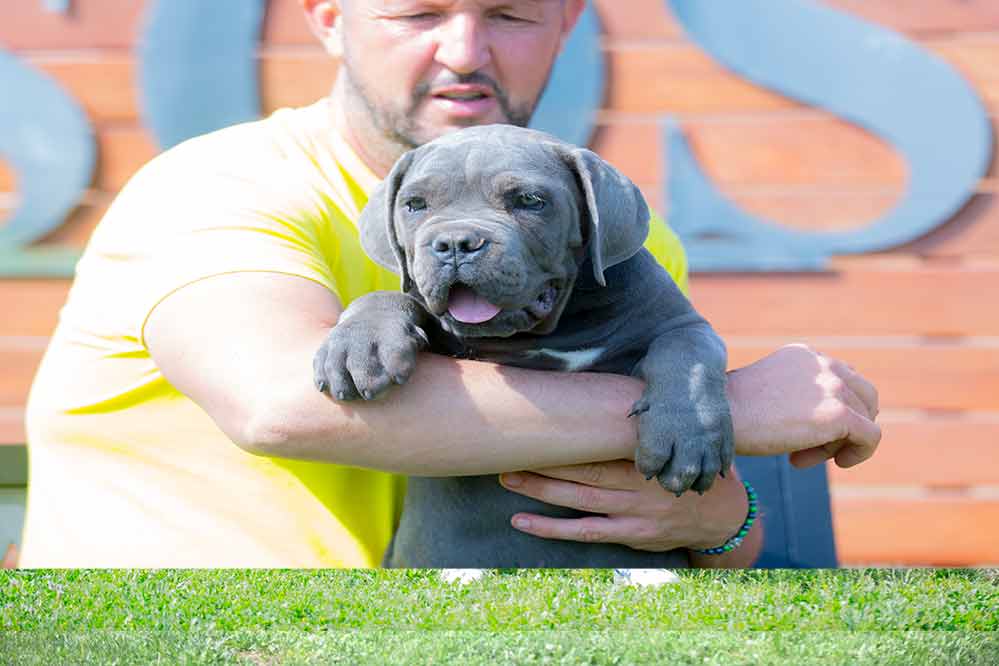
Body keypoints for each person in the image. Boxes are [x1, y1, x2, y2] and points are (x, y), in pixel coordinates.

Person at [19, 0, 880, 568]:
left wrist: (716, 514)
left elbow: (706, 527)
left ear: (566, 22)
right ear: (328, 16)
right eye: (417, 11)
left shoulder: (611, 231)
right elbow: (282, 405)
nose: (464, 50)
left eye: (508, 12)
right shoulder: (219, 185)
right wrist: (728, 404)